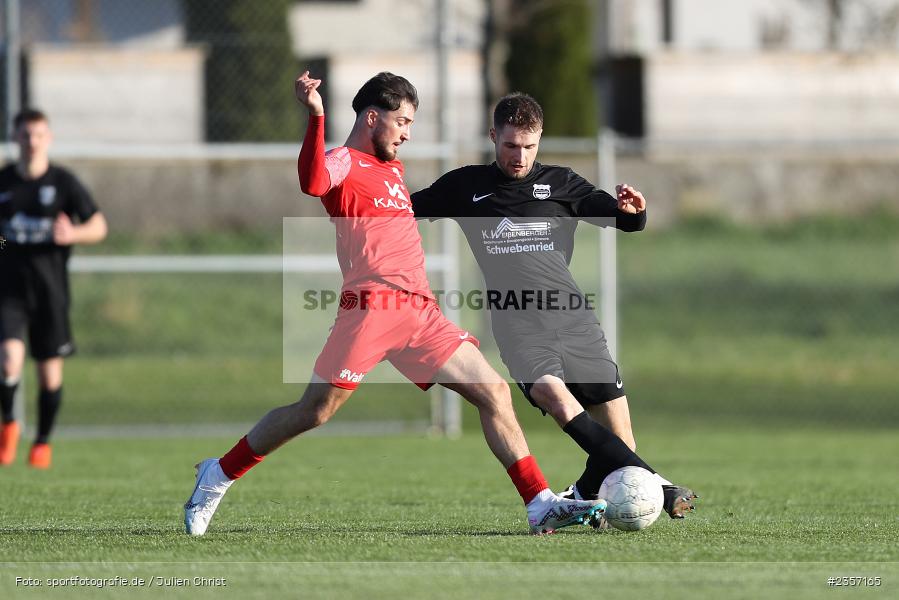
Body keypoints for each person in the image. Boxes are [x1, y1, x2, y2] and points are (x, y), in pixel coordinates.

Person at [183, 73, 604, 536]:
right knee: (315, 410)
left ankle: (538, 502)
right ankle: (218, 475)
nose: (407, 132)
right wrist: (317, 116)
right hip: (371, 308)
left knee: (494, 391)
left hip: (419, 312)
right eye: (402, 121)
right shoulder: (344, 160)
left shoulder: (393, 170)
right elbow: (313, 181)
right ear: (371, 117)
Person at [410, 93, 696, 524]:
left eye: (529, 146)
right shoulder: (465, 187)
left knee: (620, 438)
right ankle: (659, 484)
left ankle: (582, 495)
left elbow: (618, 216)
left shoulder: (561, 184)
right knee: (555, 398)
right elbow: (400, 209)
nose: (519, 156)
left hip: (574, 320)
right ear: (493, 137)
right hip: (517, 325)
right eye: (510, 145)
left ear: (539, 140)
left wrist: (634, 213)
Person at [0, 109, 108, 469]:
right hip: (9, 291)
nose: (31, 142)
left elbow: (98, 226)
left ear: (48, 139)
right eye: (25, 135)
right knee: (8, 359)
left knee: (49, 377)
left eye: (38, 135)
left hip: (50, 292)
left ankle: (42, 443)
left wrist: (72, 233)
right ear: (15, 137)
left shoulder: (63, 183)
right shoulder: (4, 183)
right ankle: (10, 424)